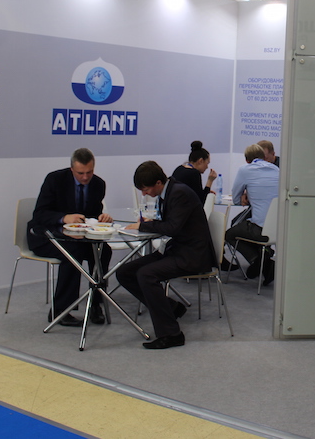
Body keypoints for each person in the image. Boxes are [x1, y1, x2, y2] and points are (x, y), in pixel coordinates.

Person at [117, 161, 214, 349]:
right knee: (124, 273)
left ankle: (171, 334)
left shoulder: (179, 193)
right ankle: (171, 308)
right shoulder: (171, 191)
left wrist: (143, 225)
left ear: (158, 183)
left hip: (191, 255)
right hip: (176, 249)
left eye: (146, 189)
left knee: (146, 274)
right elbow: (172, 223)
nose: (144, 194)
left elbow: (172, 228)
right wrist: (150, 223)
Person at [29, 148, 113, 327]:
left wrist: (101, 218)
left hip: (77, 238)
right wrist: (64, 217)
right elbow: (40, 214)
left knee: (103, 250)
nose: (85, 177)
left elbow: (91, 214)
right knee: (72, 253)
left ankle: (95, 303)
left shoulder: (98, 184)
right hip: (46, 236)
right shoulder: (55, 180)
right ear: (71, 169)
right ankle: (61, 310)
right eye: (80, 173)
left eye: (89, 172)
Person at [227, 144, 280, 284]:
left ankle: (257, 259)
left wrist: (245, 196)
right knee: (246, 227)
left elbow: (236, 199)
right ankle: (266, 259)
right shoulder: (276, 169)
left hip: (260, 229)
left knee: (230, 234)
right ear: (264, 157)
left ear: (247, 160)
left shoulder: (245, 170)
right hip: (279, 229)